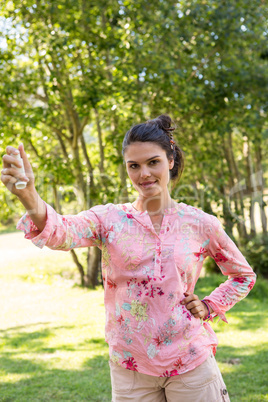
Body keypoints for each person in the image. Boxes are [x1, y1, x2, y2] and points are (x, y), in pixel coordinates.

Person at [1, 115, 256, 402]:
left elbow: (243, 275)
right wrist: (29, 194)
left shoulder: (200, 223)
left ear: (170, 161)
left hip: (190, 361)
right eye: (134, 166)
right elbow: (61, 232)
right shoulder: (109, 219)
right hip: (130, 366)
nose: (143, 173)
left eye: (153, 162)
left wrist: (210, 305)